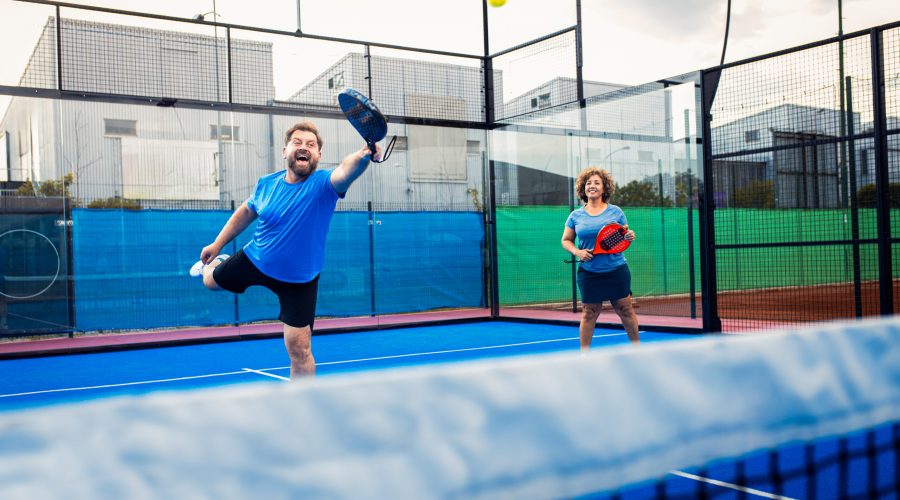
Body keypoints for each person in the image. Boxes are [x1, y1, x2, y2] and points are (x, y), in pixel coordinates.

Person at [190, 121, 380, 379]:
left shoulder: (325, 184)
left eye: (311, 145)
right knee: (210, 282)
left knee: (300, 349)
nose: (304, 148)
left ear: (319, 155)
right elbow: (246, 212)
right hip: (255, 259)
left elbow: (347, 170)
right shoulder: (267, 184)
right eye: (298, 143)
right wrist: (217, 244)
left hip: (299, 280)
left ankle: (301, 408)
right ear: (285, 151)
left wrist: (364, 154)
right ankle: (214, 265)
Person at [561, 167, 639, 350]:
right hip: (589, 272)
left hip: (616, 269)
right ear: (584, 189)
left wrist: (629, 236)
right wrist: (577, 252)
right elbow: (566, 240)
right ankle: (584, 356)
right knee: (589, 313)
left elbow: (622, 235)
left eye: (597, 182)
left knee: (626, 310)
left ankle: (637, 350)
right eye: (588, 183)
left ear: (604, 188)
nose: (592, 186)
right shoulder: (575, 216)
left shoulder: (616, 212)